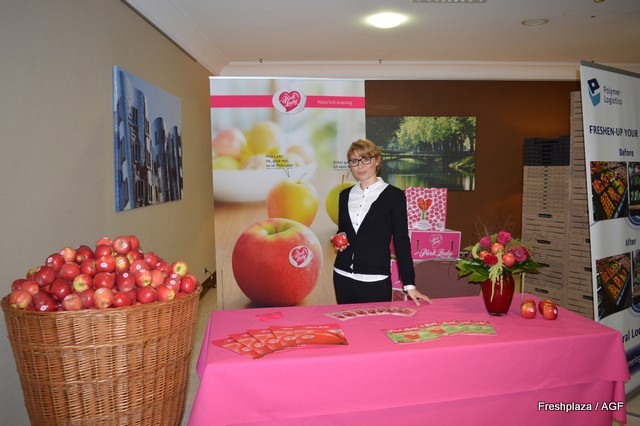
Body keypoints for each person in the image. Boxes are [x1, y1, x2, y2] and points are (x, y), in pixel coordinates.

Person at [331, 138, 432, 306]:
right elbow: (343, 230)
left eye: (365, 159)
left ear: (377, 160)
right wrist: (339, 239)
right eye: (354, 161)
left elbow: (401, 241)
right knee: (347, 323)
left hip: (375, 279)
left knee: (376, 323)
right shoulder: (345, 195)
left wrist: (409, 284)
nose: (360, 166)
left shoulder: (394, 196)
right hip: (342, 276)